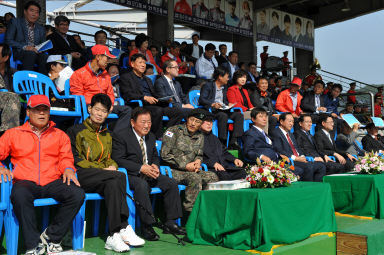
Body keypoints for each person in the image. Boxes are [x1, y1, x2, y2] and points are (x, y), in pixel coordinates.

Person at [0, 95, 85, 254]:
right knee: (19, 194)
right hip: (25, 181)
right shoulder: (13, 133)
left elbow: (66, 158)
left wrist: (68, 168)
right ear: (28, 112)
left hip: (52, 180)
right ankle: (33, 245)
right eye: (36, 109)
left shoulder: (60, 135)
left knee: (77, 194)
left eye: (44, 109)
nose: (41, 113)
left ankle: (52, 237)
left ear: (49, 112)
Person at [67, 94, 144, 252]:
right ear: (89, 109)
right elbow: (74, 158)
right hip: (81, 174)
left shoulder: (108, 135)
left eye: (104, 111)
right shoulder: (75, 130)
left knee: (114, 182)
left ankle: (114, 234)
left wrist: (112, 166)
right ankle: (124, 225)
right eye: (97, 109)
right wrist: (101, 169)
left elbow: (111, 158)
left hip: (103, 177)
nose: (100, 114)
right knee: (120, 176)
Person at [112, 107, 184, 241]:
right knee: (141, 185)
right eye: (143, 122)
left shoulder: (151, 136)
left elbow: (154, 155)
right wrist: (140, 168)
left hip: (149, 172)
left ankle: (170, 222)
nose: (147, 125)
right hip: (131, 175)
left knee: (171, 183)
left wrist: (155, 165)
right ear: (133, 122)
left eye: (149, 122)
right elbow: (118, 159)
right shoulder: (121, 136)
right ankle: (147, 226)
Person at [161, 109, 219, 213]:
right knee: (194, 177)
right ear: (187, 119)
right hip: (171, 170)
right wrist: (186, 165)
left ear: (201, 124)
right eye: (192, 120)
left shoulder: (200, 136)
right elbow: (165, 155)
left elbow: (199, 155)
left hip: (190, 170)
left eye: (197, 122)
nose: (193, 124)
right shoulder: (173, 131)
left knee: (213, 176)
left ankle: (206, 210)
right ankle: (191, 213)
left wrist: (198, 162)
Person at [70, 44, 132, 133]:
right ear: (98, 57)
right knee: (96, 110)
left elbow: (110, 92)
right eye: (107, 58)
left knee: (127, 110)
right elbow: (78, 95)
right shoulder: (79, 73)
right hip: (89, 105)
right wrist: (96, 103)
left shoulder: (105, 74)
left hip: (105, 105)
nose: (108, 61)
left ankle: (116, 138)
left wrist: (110, 104)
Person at [119, 53, 183, 139]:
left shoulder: (147, 79)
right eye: (140, 62)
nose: (143, 65)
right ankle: (157, 137)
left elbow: (154, 94)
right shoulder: (126, 77)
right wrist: (143, 97)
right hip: (139, 105)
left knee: (177, 111)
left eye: (144, 63)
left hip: (153, 104)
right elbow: (127, 94)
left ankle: (168, 136)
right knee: (158, 110)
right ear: (132, 64)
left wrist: (164, 99)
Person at [270, 112, 326, 181]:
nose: (291, 124)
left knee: (321, 166)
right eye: (289, 121)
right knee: (309, 167)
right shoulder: (275, 133)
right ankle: (308, 189)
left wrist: (302, 156)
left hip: (299, 159)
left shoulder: (290, 134)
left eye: (293, 122)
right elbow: (279, 150)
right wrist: (296, 158)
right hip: (289, 160)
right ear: (281, 121)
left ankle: (317, 188)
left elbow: (297, 148)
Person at [199, 66, 244, 149]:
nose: (228, 79)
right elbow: (202, 99)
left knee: (239, 115)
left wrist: (229, 104)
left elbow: (224, 101)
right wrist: (212, 104)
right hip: (213, 111)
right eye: (227, 77)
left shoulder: (224, 87)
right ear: (220, 77)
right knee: (223, 116)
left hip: (223, 109)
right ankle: (221, 141)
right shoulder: (208, 86)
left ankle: (233, 141)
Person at [5, 1, 48, 73]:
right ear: (25, 11)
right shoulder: (15, 22)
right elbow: (8, 40)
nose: (34, 14)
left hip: (36, 52)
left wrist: (41, 48)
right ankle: (27, 81)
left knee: (45, 56)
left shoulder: (41, 28)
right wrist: (26, 47)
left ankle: (42, 81)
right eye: (32, 11)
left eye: (37, 12)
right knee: (30, 54)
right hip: (20, 51)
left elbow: (43, 44)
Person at [200, 114, 246, 180]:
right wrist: (213, 164)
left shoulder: (215, 138)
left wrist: (234, 159)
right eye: (206, 121)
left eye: (211, 121)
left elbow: (224, 152)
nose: (209, 124)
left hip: (224, 167)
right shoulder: (197, 138)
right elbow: (198, 157)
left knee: (242, 172)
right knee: (224, 176)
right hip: (210, 168)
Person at [0, 43, 20, 135]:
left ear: (5, 58)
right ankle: (9, 135)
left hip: (9, 106)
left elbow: (24, 90)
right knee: (11, 97)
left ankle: (8, 136)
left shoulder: (15, 74)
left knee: (12, 97)